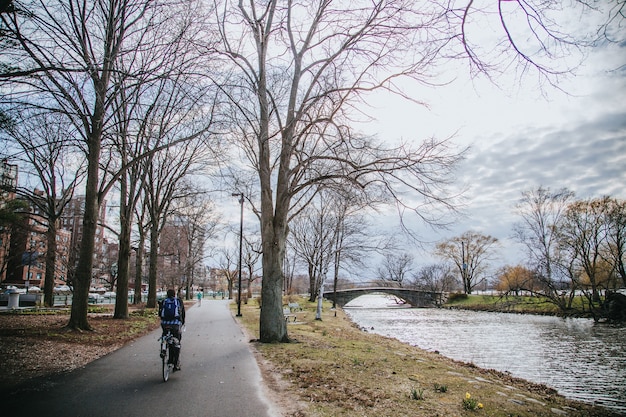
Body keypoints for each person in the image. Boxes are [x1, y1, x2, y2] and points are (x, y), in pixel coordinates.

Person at [159, 289, 185, 371]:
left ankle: (163, 348)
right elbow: (182, 313)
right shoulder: (178, 301)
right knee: (177, 342)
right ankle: (176, 363)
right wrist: (182, 322)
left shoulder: (164, 301)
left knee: (165, 335)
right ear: (174, 294)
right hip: (175, 324)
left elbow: (160, 313)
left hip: (165, 324)